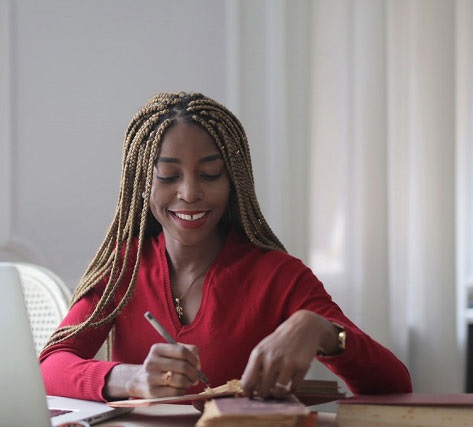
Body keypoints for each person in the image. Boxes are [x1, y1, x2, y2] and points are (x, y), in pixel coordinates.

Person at [39, 91, 412, 402]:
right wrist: (131, 379)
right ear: (142, 183)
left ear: (233, 181)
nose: (189, 193)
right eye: (168, 176)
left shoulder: (277, 275)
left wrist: (320, 330)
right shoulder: (124, 267)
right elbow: (50, 366)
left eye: (210, 174)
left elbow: (395, 385)